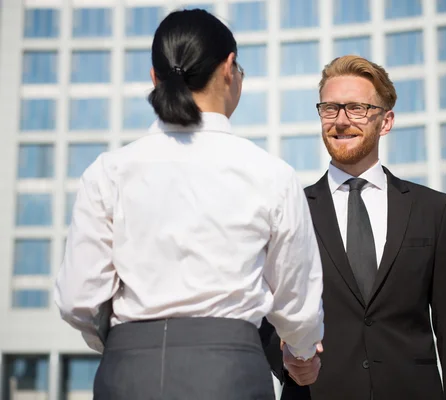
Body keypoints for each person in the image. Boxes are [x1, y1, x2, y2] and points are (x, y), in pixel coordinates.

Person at [54, 9, 324, 400]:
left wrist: (130, 344)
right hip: (229, 374)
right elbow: (296, 303)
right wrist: (302, 354)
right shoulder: (270, 174)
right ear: (230, 68)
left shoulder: (108, 172)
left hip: (128, 374)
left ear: (154, 76)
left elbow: (78, 299)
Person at [260, 55, 446, 400]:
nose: (341, 120)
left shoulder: (432, 210)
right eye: (330, 109)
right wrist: (287, 361)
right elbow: (260, 313)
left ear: (385, 121)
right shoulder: (288, 209)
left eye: (356, 108)